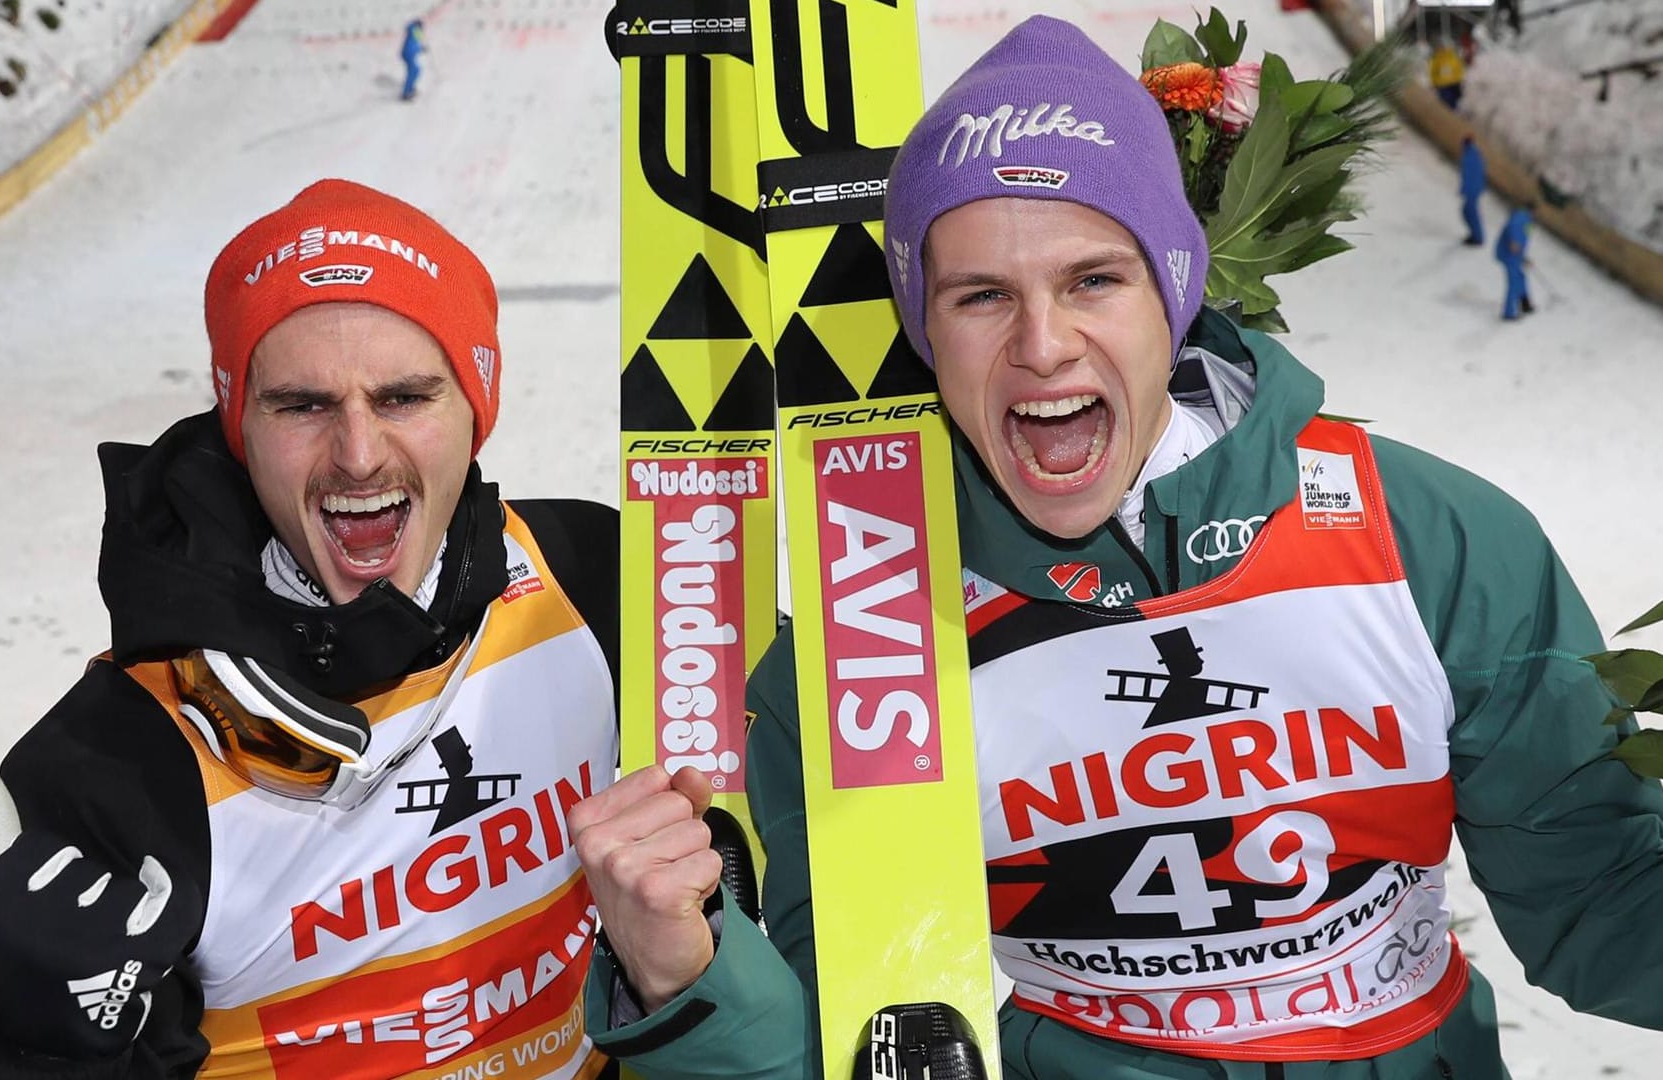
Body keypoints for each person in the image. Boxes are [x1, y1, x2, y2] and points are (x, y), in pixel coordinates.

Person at [577, 16, 1663, 1079]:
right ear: (924, 329)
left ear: (1174, 293)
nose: (1043, 347)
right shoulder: (868, 646)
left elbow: (1600, 893)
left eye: (1093, 279)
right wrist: (690, 982)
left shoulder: (1430, 540)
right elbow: (866, 1031)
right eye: (981, 297)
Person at [0, 178, 622, 1078]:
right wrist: (35, 1051)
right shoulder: (121, 760)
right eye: (301, 406)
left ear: (477, 407)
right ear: (240, 427)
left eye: (403, 397)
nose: (357, 453)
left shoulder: (593, 575)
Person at [1497, 202, 1536, 319]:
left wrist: (1523, 257)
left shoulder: (1529, 222)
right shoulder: (1521, 217)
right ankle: (1509, 313)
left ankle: (1525, 303)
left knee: (1520, 277)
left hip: (1515, 255)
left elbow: (1523, 241)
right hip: (1508, 255)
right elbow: (1512, 227)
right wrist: (1514, 242)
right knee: (1514, 282)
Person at [1458, 135, 1486, 245]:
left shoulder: (1469, 157)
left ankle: (1477, 237)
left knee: (1469, 212)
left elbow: (1468, 175)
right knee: (1468, 212)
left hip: (1472, 190)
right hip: (1475, 189)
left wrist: (1464, 189)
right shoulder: (1475, 155)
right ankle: (1475, 235)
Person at [1430, 41, 1465, 111]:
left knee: (1455, 99)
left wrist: (1460, 78)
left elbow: (1459, 67)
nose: (1440, 49)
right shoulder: (1436, 59)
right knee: (1447, 102)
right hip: (1443, 85)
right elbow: (1433, 72)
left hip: (1454, 82)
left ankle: (1454, 113)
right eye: (1439, 48)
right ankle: (1451, 114)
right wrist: (1434, 82)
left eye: (1441, 47)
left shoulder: (1451, 56)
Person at [401, 18, 427, 101]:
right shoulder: (415, 31)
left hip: (408, 54)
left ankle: (410, 89)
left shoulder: (413, 30)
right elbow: (413, 46)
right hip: (409, 54)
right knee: (414, 71)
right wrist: (421, 48)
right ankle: (406, 93)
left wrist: (421, 48)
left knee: (414, 71)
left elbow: (414, 43)